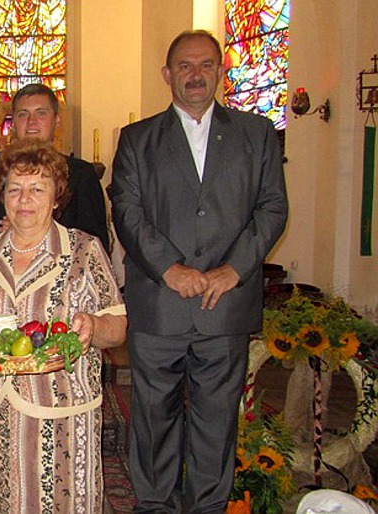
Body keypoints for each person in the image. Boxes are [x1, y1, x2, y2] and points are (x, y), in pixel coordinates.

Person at [111, 30, 289, 513]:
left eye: (206, 64)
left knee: (217, 422)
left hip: (225, 303)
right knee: (153, 420)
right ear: (167, 74)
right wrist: (169, 269)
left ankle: (209, 507)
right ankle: (155, 506)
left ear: (220, 72)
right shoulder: (138, 138)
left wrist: (234, 270)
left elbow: (272, 207)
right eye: (185, 66)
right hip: (159, 303)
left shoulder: (256, 133)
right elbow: (126, 210)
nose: (195, 74)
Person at [0, 138, 127, 513]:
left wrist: (92, 325)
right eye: (14, 189)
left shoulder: (84, 250)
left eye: (37, 188)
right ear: (2, 195)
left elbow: (117, 325)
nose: (24, 199)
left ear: (56, 197)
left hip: (61, 417)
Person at [0, 83, 110, 252]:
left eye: (41, 113)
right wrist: (6, 236)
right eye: (22, 114)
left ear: (56, 120)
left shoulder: (82, 174)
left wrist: (38, 232)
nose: (31, 122)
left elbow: (97, 243)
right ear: (13, 123)